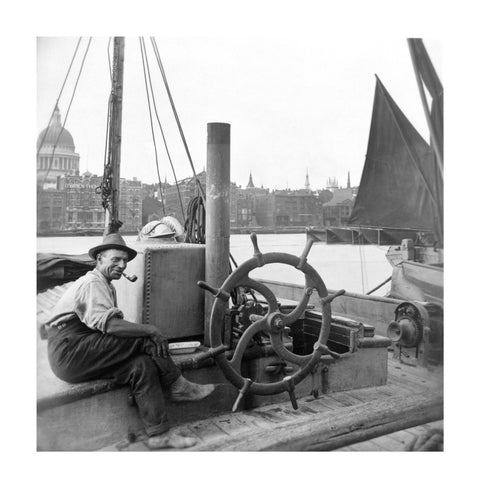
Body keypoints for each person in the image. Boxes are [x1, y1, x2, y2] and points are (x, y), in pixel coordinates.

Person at [44, 232, 214, 449]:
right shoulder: (92, 283)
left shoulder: (106, 285)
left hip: (77, 354)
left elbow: (109, 329)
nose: (122, 265)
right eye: (116, 259)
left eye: (125, 261)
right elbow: (111, 326)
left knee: (141, 366)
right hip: (69, 351)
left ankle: (159, 434)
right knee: (147, 338)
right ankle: (178, 385)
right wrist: (150, 330)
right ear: (99, 260)